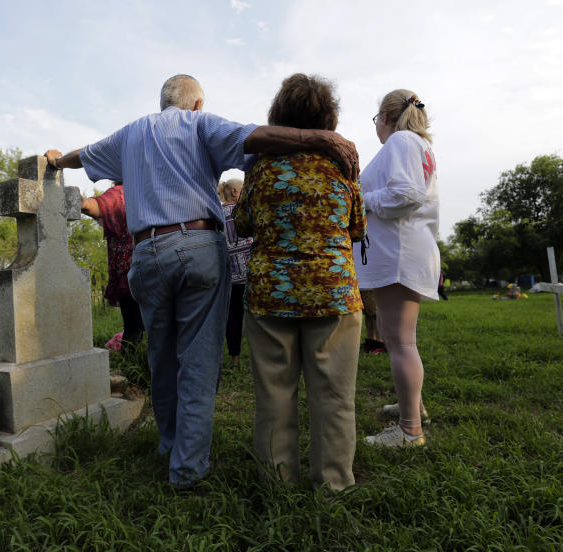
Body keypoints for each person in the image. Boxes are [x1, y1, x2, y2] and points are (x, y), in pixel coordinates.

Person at [44, 74, 359, 488]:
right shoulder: (200, 123)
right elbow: (258, 136)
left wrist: (55, 160)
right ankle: (188, 470)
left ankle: (169, 445)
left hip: (145, 254)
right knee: (198, 360)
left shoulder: (131, 133)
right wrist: (321, 139)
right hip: (197, 246)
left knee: (162, 357)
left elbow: (82, 156)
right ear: (196, 104)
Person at [234, 73, 366, 490]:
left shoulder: (260, 169)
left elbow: (241, 223)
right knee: (336, 399)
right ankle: (334, 487)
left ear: (278, 115)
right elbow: (357, 227)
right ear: (328, 117)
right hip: (334, 294)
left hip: (271, 295)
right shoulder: (341, 165)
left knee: (274, 396)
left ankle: (276, 486)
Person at [354, 89, 439, 448]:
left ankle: (409, 431)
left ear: (385, 118)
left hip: (401, 250)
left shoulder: (401, 141)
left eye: (376, 119)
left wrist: (359, 200)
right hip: (405, 247)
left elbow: (406, 194)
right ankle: (414, 409)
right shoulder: (415, 144)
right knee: (397, 338)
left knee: (401, 341)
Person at [80, 181, 143, 350]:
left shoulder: (120, 193)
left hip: (128, 273)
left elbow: (90, 207)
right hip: (151, 268)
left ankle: (134, 371)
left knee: (134, 329)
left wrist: (80, 201)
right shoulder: (145, 190)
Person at [218, 178, 252, 370]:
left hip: (229, 274)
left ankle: (235, 359)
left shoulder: (216, 213)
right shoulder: (243, 210)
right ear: (234, 191)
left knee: (233, 315)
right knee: (255, 315)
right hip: (249, 271)